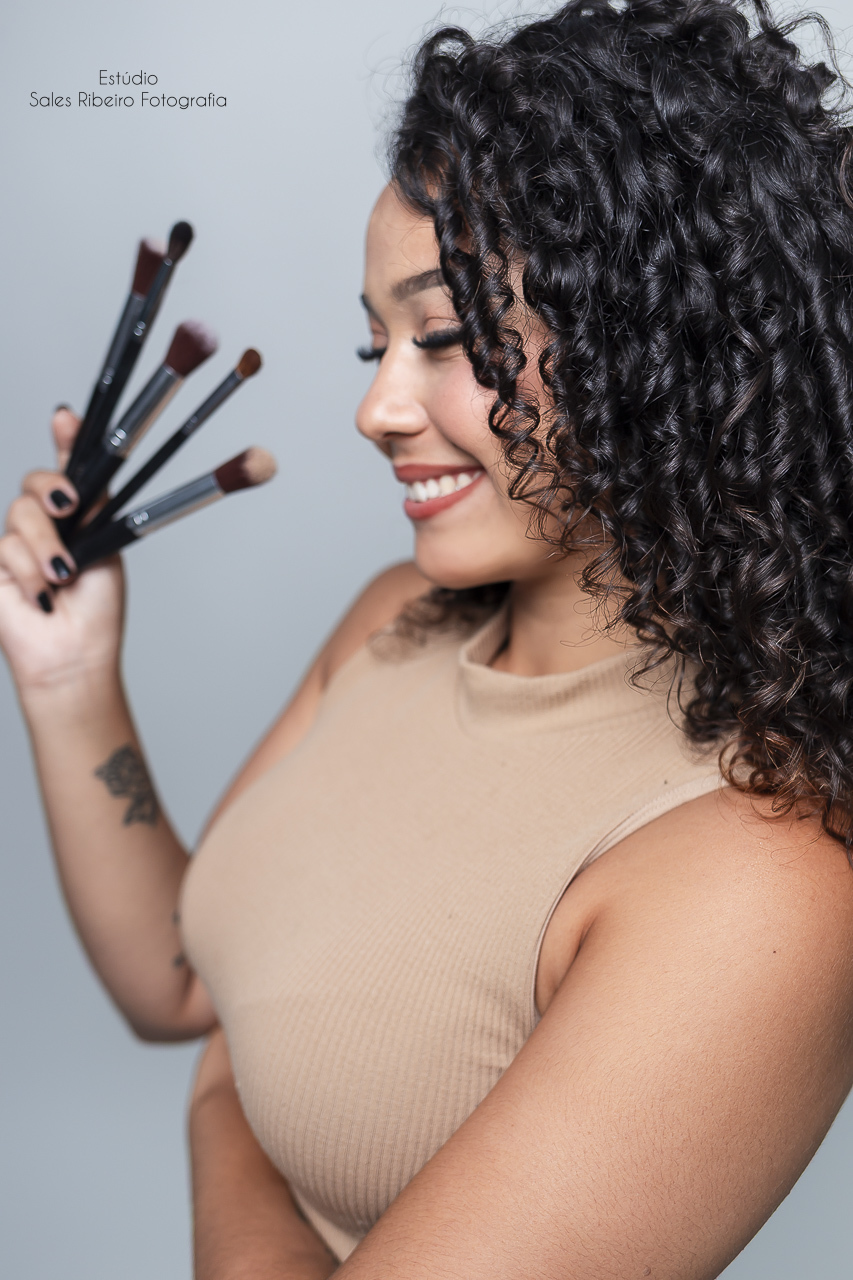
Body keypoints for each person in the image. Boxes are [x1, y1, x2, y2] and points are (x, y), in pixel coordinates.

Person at [4, 0, 853, 1275]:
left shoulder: (762, 879)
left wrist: (223, 1097)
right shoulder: (394, 622)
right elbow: (183, 982)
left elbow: (228, 1046)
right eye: (374, 341)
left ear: (661, 340)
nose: (374, 407)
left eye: (444, 337)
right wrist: (68, 678)